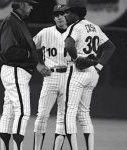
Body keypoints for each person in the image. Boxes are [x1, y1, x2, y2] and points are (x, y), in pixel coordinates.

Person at [62, 0, 116, 150]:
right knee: (85, 114)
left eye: (68, 12)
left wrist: (75, 59)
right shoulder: (94, 27)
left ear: (76, 12)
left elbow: (69, 44)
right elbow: (110, 47)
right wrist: (98, 67)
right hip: (92, 73)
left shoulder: (75, 27)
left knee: (69, 112)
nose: (65, 14)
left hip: (77, 71)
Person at [0, 0, 38, 150]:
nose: (32, 7)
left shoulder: (17, 21)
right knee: (23, 112)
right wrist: (29, 53)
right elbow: (9, 50)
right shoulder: (11, 22)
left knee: (10, 112)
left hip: (14, 71)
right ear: (20, 3)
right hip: (15, 70)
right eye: (29, 4)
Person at [33, 4, 72, 150]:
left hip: (69, 77)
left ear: (67, 15)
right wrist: (38, 65)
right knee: (42, 115)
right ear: (53, 17)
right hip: (51, 76)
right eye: (56, 14)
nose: (59, 17)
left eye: (62, 13)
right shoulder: (45, 32)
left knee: (63, 118)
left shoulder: (75, 31)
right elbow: (30, 47)